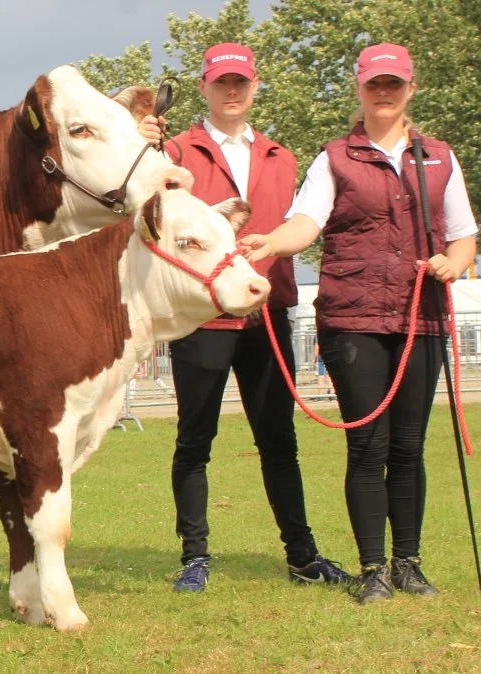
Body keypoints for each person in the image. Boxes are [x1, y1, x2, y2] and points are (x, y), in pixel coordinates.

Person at [242, 43, 477, 604]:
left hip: (420, 318)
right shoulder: (335, 158)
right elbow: (306, 222)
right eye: (375, 84)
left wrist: (456, 261)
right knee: (368, 447)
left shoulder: (439, 158)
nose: (385, 92)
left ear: (411, 88)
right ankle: (373, 568)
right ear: (360, 89)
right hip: (353, 319)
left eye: (394, 83)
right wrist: (271, 242)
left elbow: (464, 232)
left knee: (410, 447)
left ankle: (409, 565)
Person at [139, 43, 353, 592]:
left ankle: (302, 557)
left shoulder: (282, 157)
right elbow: (142, 200)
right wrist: (144, 149)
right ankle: (195, 557)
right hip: (202, 318)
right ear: (205, 87)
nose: (231, 91)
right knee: (195, 442)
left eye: (240, 82)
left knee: (279, 441)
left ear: (254, 86)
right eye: (220, 82)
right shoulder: (177, 151)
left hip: (268, 314)